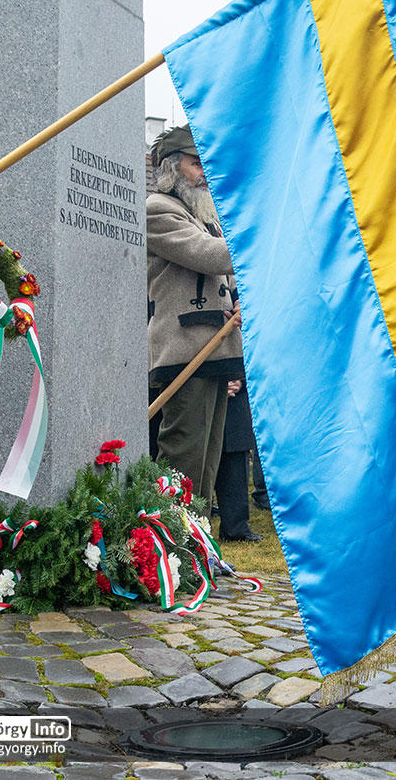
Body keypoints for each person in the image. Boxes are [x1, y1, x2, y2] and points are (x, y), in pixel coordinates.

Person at [146, 125, 244, 509]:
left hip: (216, 346)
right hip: (184, 349)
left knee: (206, 462)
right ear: (172, 167)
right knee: (183, 457)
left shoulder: (203, 216)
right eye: (195, 163)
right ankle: (169, 538)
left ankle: (196, 537)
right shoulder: (157, 209)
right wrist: (258, 243)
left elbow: (229, 278)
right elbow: (208, 255)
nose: (205, 172)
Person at [215, 378, 264, 542]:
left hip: (235, 402)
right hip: (200, 388)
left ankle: (235, 528)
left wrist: (240, 381)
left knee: (235, 461)